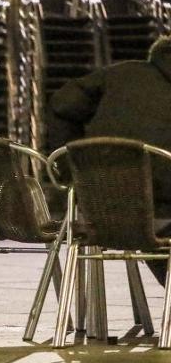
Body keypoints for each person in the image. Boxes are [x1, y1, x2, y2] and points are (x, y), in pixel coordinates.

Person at [48, 35, 171, 286]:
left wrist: (73, 169)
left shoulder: (117, 74)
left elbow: (60, 105)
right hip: (160, 216)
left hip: (98, 211)